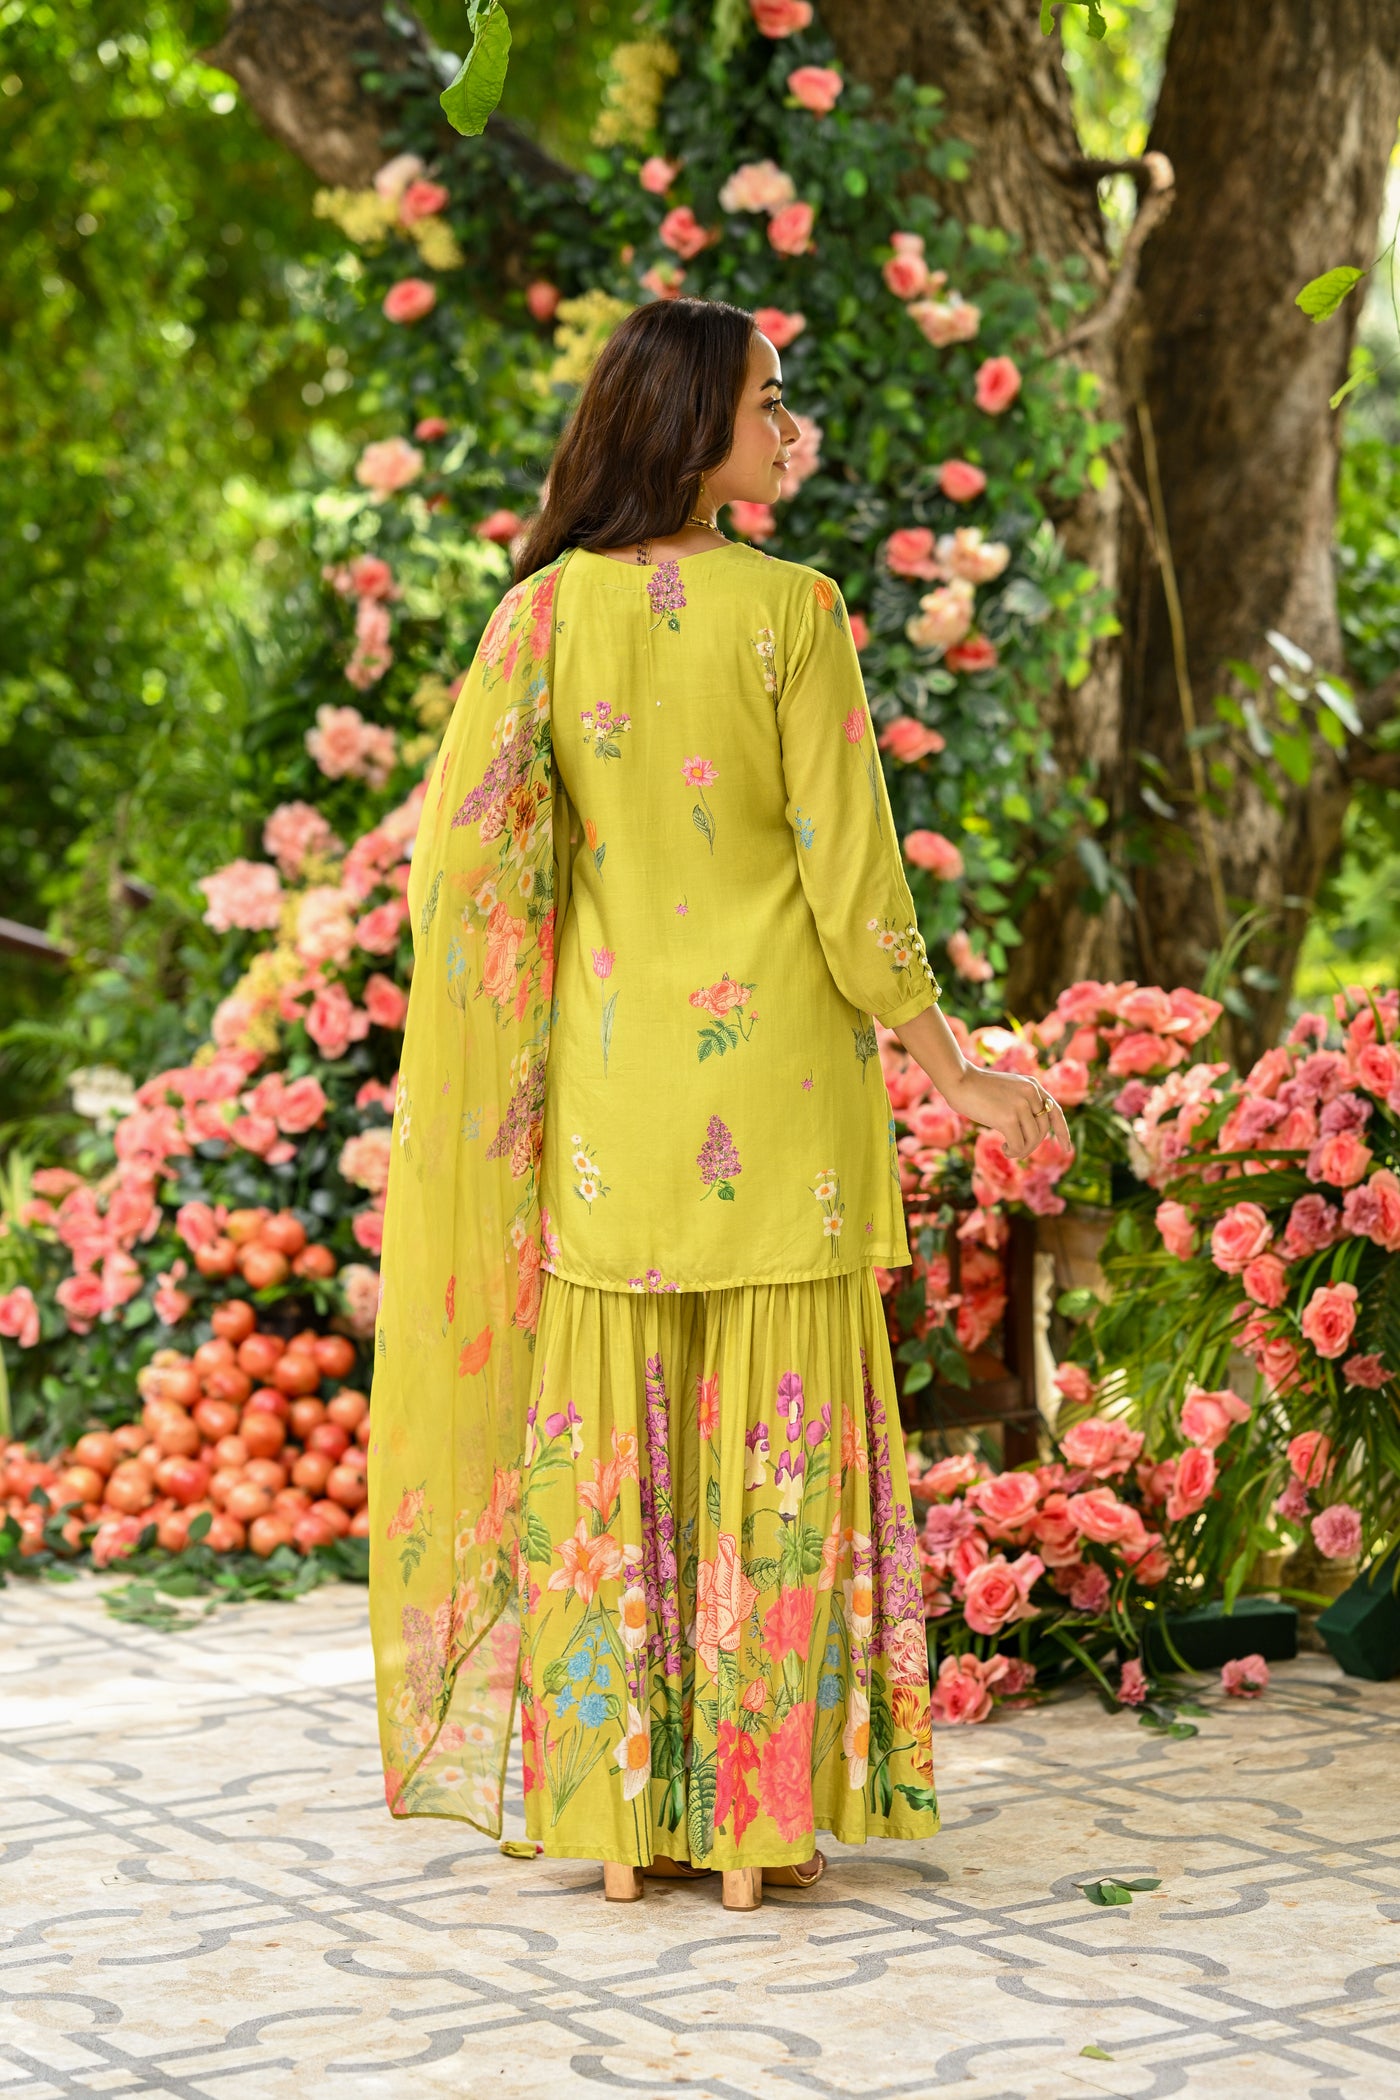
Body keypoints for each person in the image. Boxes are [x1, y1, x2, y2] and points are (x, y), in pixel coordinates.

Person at [368, 297, 1073, 1916]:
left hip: (614, 1108)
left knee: (614, 1456)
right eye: (770, 402)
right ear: (696, 425)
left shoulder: (539, 618)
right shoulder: (795, 611)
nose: (789, 428)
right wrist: (955, 1065)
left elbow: (465, 876)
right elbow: (855, 886)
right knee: (777, 1455)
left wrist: (520, 1064)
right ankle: (759, 1821)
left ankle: (620, 1818)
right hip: (785, 1106)